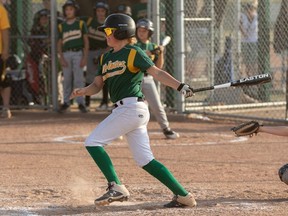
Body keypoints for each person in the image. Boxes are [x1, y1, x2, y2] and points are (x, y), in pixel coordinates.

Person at [70, 13, 196, 208]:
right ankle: (183, 195)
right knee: (146, 160)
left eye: (110, 31)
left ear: (121, 31)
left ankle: (116, 186)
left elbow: (157, 72)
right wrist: (83, 91)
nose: (106, 34)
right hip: (128, 111)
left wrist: (180, 86)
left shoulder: (133, 52)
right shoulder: (105, 58)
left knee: (93, 142)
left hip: (131, 108)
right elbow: (97, 85)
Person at [135, 18, 179, 139]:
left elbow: (158, 67)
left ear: (150, 32)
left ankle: (166, 129)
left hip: (148, 79)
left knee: (157, 106)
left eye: (144, 30)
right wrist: (148, 52)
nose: (141, 32)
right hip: (134, 80)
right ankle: (119, 130)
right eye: (139, 30)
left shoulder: (153, 46)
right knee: (129, 105)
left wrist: (160, 53)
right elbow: (136, 57)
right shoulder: (134, 44)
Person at [57, 0, 89, 113]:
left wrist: (85, 57)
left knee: (79, 79)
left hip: (78, 53)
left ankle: (81, 103)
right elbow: (59, 43)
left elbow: (85, 41)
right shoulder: (61, 26)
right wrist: (61, 57)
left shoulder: (80, 24)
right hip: (66, 54)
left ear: (75, 10)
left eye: (71, 9)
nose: (68, 11)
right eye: (66, 9)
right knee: (67, 80)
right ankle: (66, 102)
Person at [80, 1, 110, 111]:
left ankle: (104, 102)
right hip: (90, 52)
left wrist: (102, 55)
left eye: (102, 11)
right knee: (89, 77)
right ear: (95, 12)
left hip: (103, 51)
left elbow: (110, 43)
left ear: (106, 12)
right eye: (98, 11)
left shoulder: (108, 25)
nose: (100, 13)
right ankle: (87, 102)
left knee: (104, 77)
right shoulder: (89, 21)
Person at [239, 3, 259, 101]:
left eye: (251, 8)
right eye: (248, 9)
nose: (249, 11)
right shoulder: (243, 16)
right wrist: (243, 32)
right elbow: (239, 25)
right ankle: (249, 81)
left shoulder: (257, 17)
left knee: (253, 63)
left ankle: (255, 82)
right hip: (245, 42)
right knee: (247, 63)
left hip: (254, 41)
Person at [0, 1, 12, 118]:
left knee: (3, 80)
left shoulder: (1, 9)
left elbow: (4, 30)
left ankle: (6, 107)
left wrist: (5, 50)